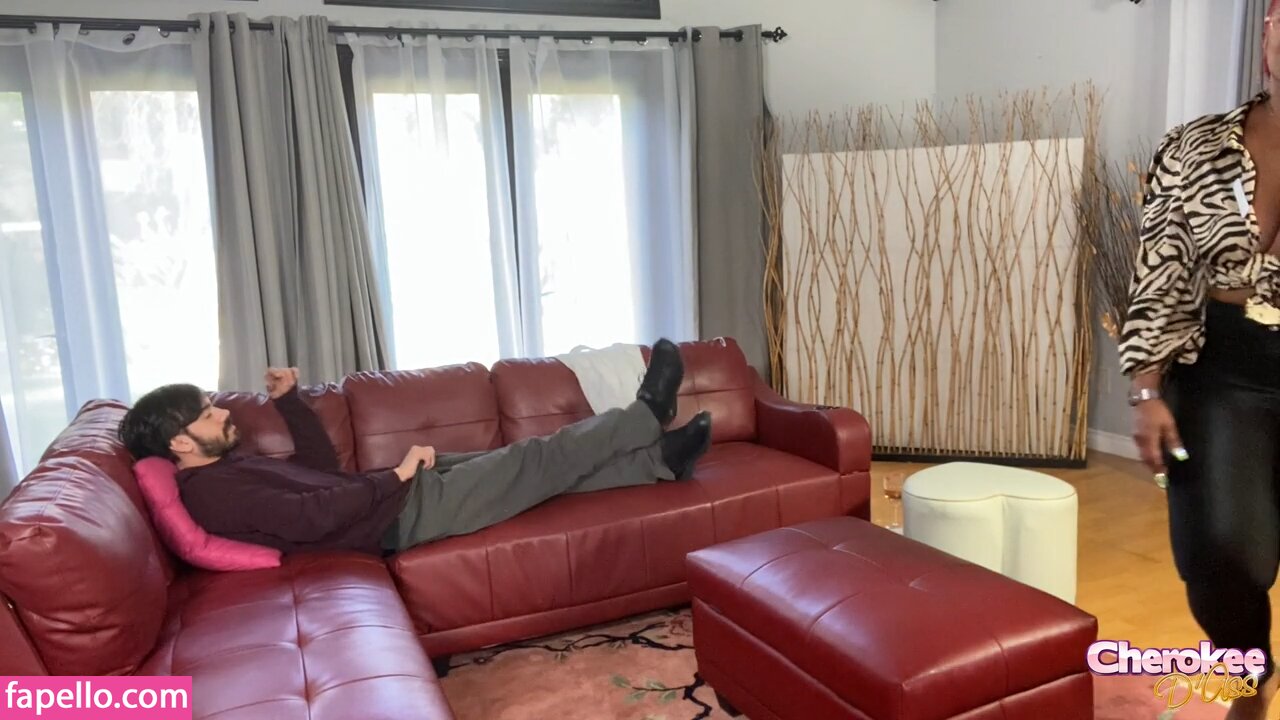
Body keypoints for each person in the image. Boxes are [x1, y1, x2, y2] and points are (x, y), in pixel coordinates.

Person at [117, 339, 713, 557]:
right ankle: (646, 415)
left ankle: (659, 462)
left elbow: (320, 475)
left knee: (543, 476)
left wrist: (291, 401)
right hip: (402, 516)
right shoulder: (213, 496)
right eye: (208, 413)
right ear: (179, 441)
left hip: (393, 498)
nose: (223, 412)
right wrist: (397, 477)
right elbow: (311, 517)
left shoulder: (225, 469)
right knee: (536, 459)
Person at [1121, 8, 1280, 718]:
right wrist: (1146, 388)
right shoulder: (1194, 146)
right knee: (1221, 553)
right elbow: (1159, 272)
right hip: (1224, 370)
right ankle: (1251, 676)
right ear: (1269, 32)